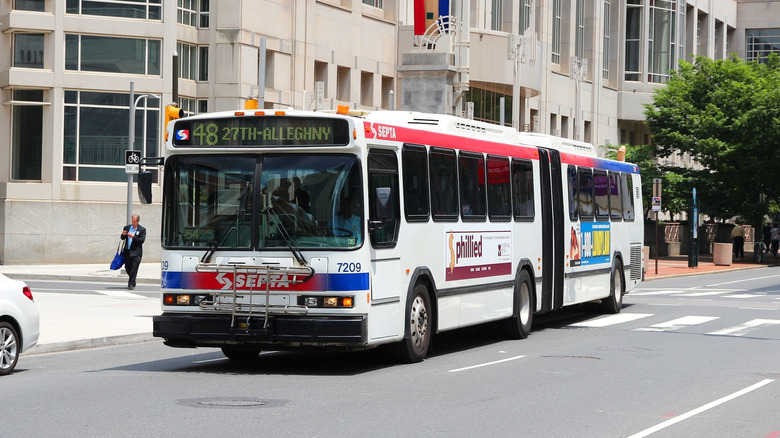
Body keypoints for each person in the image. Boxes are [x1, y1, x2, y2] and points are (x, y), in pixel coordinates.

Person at [121, 214, 146, 290]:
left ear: (138, 221)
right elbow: (122, 238)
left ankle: (131, 284)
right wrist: (123, 235)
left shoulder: (142, 229)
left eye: (134, 221)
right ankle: (133, 280)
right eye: (132, 221)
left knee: (134, 269)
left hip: (136, 252)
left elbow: (141, 240)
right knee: (127, 267)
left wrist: (133, 237)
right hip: (128, 251)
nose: (133, 223)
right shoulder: (127, 227)